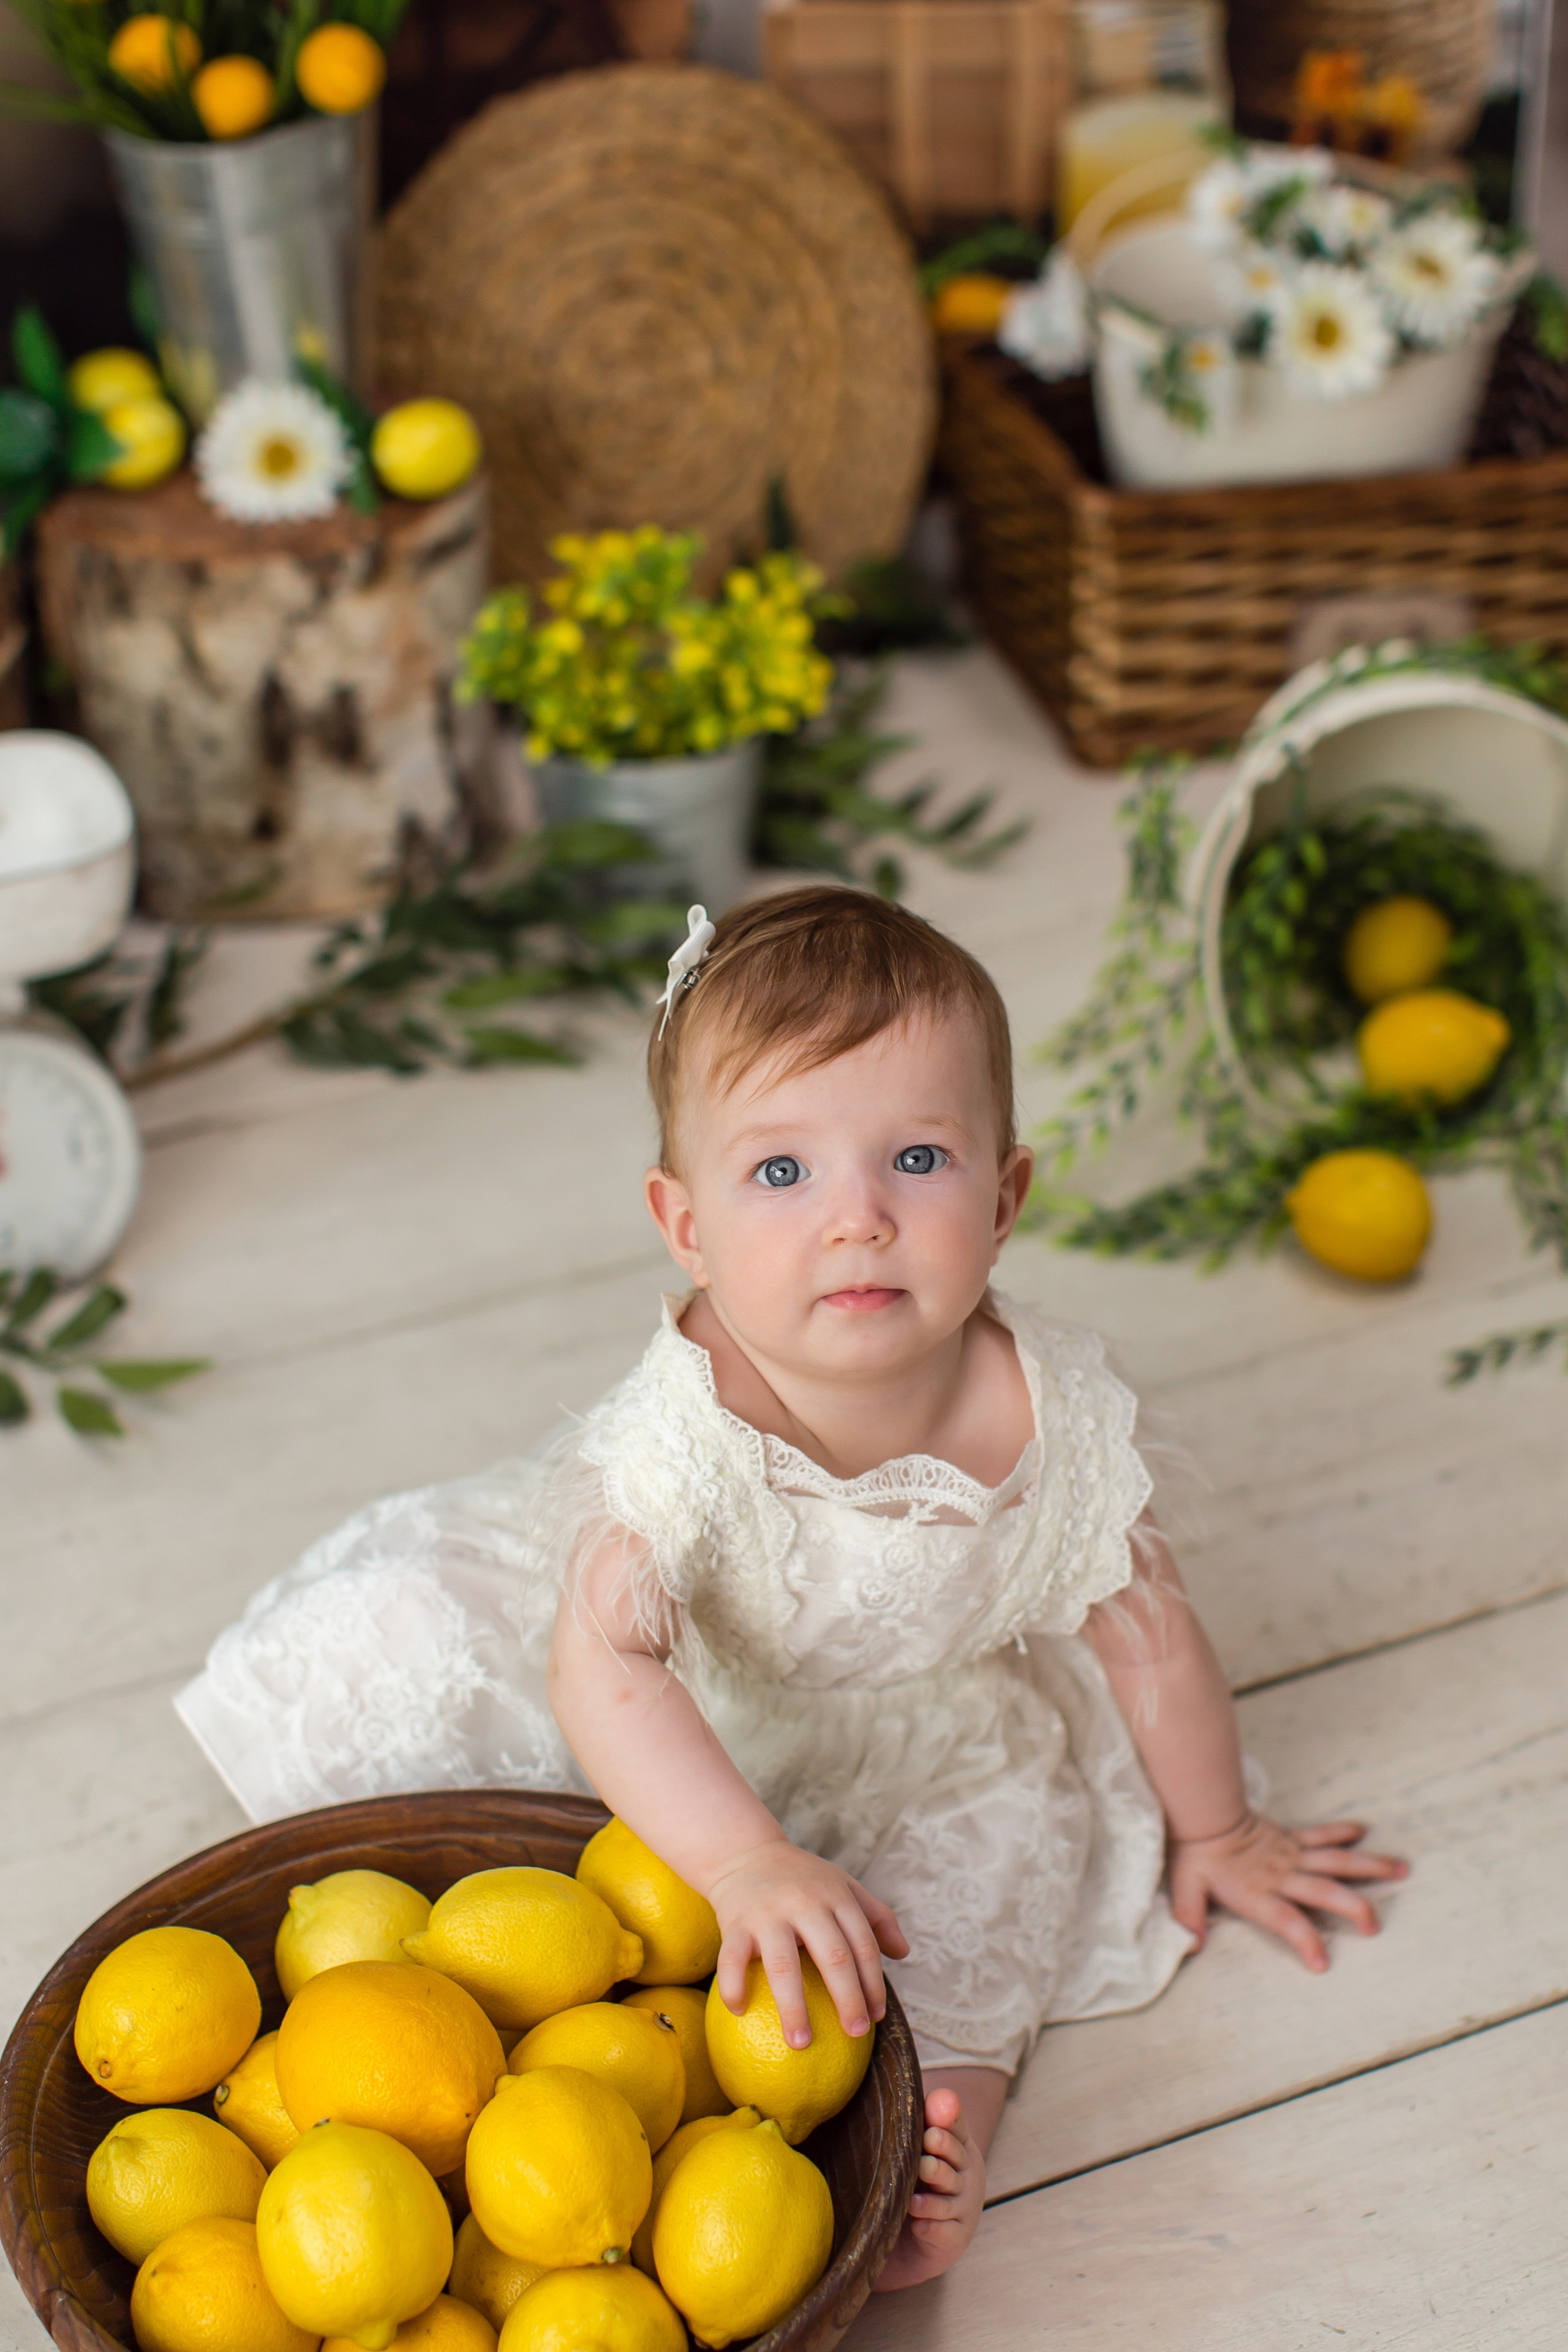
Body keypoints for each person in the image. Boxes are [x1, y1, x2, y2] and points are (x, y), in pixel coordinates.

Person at [178, 886, 1406, 2288]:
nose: (858, 1221)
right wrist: (744, 1858)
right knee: (416, 1660)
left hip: (927, 1722)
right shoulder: (683, 1434)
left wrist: (1219, 1823)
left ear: (1003, 1197)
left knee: (977, 1895)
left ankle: (933, 2141)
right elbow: (605, 1671)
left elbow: (1148, 1635)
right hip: (689, 1698)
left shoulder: (1044, 1414)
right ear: (683, 1223)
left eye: (918, 1157)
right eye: (781, 1174)